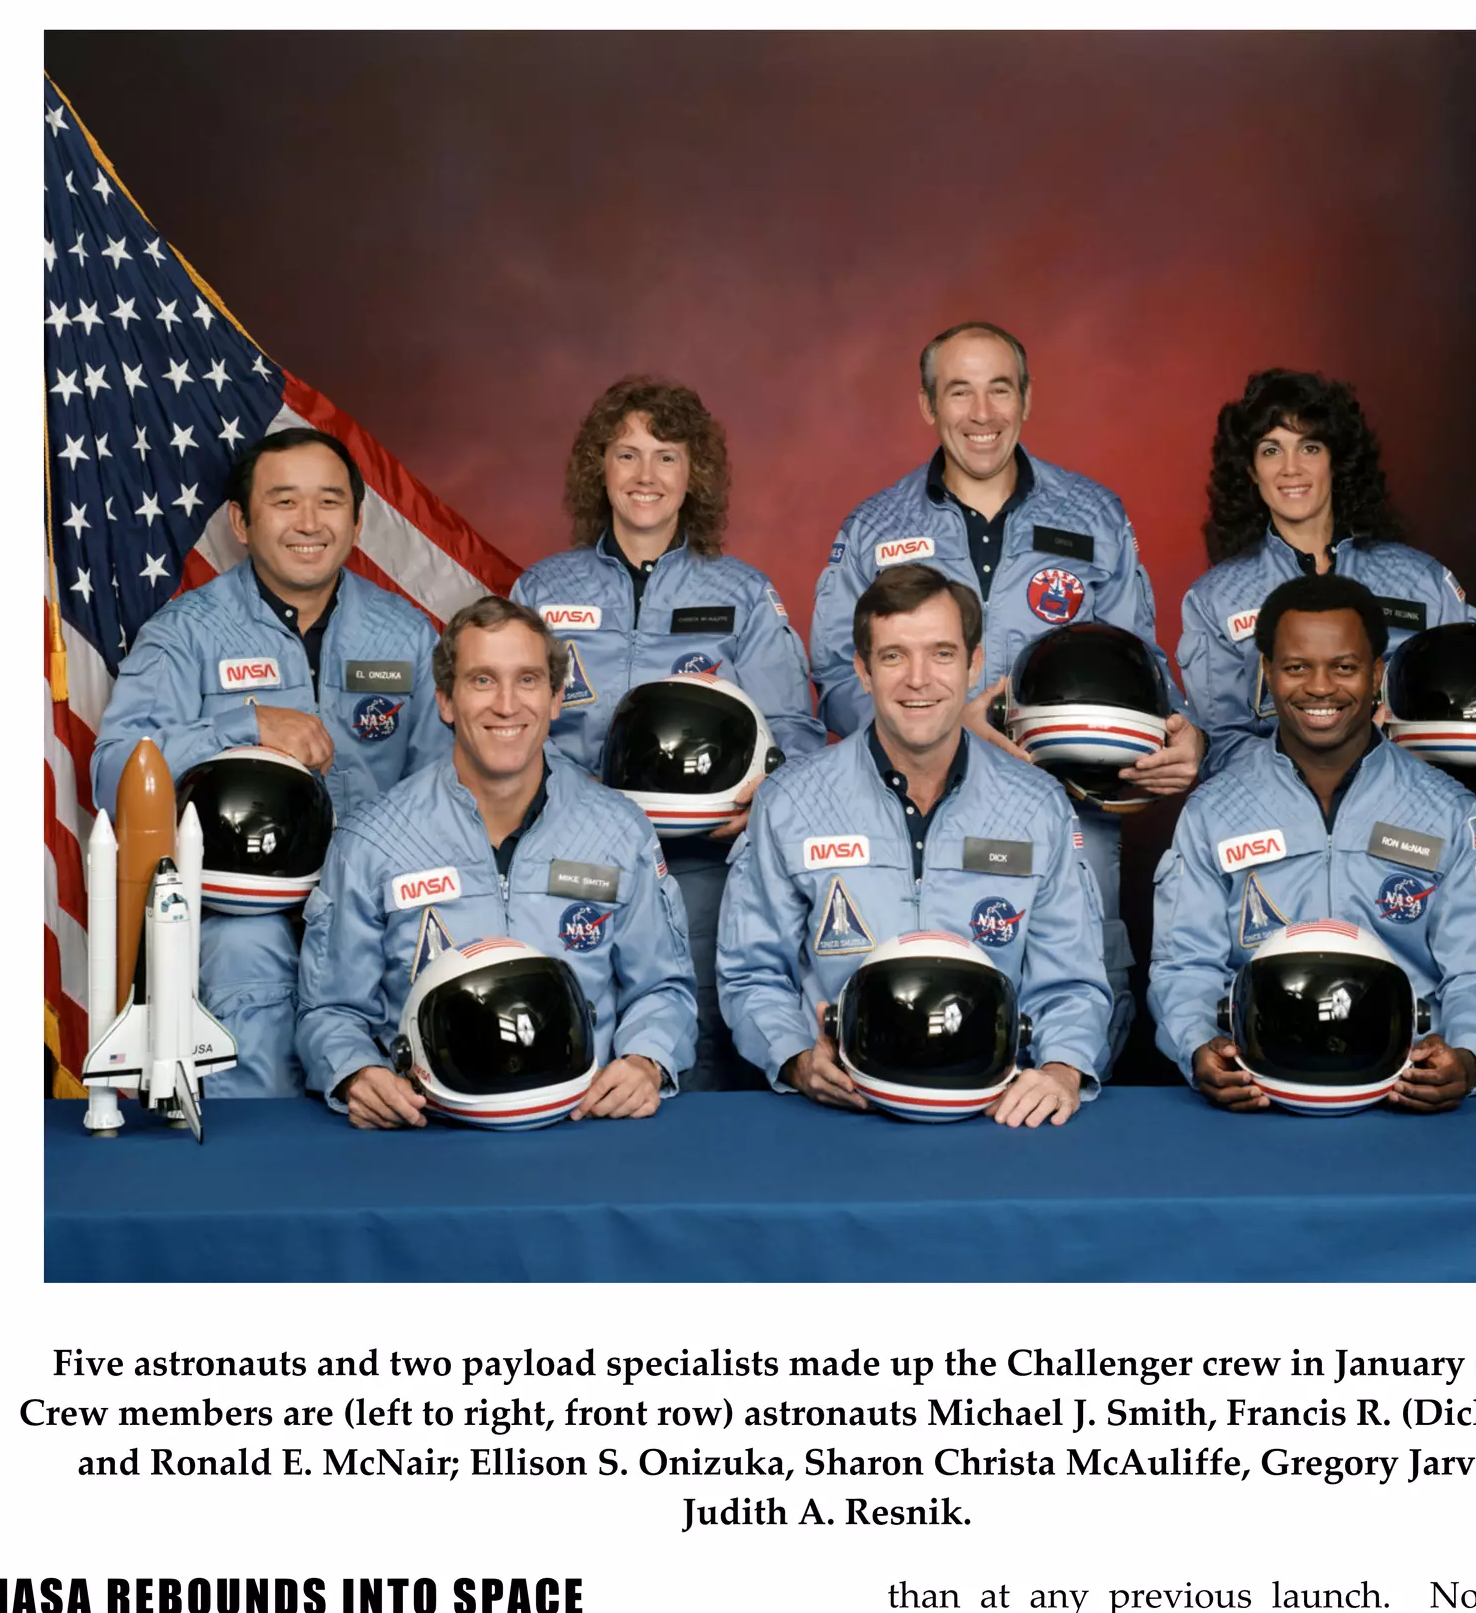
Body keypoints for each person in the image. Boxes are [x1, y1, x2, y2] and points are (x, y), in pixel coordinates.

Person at [808, 322, 1204, 1045]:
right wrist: (949, 721)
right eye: (960, 390)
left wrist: (1180, 734)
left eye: (1000, 388)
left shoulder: (1095, 515)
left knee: (1077, 1014)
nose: (982, 413)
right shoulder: (873, 526)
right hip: (914, 810)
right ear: (929, 405)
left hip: (1070, 809)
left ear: (1027, 398)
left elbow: (1143, 663)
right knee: (933, 1015)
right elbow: (837, 673)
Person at [89, 426, 446, 1095]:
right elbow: (115, 771)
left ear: (358, 520)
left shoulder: (404, 634)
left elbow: (446, 787)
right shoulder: (186, 633)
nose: (308, 523)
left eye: (329, 502)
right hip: (240, 913)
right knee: (247, 984)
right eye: (284, 501)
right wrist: (245, 723)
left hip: (372, 908)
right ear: (241, 523)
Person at [510, 377, 828, 1089]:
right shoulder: (542, 591)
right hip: (570, 860)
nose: (645, 476)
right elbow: (501, 724)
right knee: (570, 1038)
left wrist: (761, 802)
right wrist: (572, 796)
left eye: (666, 456)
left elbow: (795, 735)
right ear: (599, 467)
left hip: (701, 867)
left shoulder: (742, 593)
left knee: (704, 1042)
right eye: (626, 455)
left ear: (696, 474)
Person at [721, 565, 1111, 1126]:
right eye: (894, 656)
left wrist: (1061, 1070)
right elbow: (750, 971)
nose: (918, 680)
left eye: (942, 654)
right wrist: (796, 1057)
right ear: (862, 669)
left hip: (996, 1113)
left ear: (975, 665)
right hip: (840, 1114)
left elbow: (1072, 981)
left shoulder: (1037, 806)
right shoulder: (792, 802)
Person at [296, 596, 697, 1128]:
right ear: (444, 700)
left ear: (556, 698)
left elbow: (664, 989)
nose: (507, 705)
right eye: (482, 680)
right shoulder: (373, 840)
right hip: (430, 1134)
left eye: (527, 680)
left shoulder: (619, 831)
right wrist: (354, 1071)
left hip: (584, 1126)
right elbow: (330, 1011)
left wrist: (648, 1060)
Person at [1150, 574, 1476, 1113]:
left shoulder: (1444, 808)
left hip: (1403, 1090)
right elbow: (1185, 965)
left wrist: (1467, 1053)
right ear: (1267, 673)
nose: (1320, 687)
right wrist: (1195, 1047)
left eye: (1344, 667)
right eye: (1296, 666)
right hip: (1260, 1092)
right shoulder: (1215, 810)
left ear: (1377, 674)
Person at [1178, 367, 1476, 778]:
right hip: (1279, 823)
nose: (1291, 468)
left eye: (1310, 448)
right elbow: (1219, 745)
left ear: (1336, 459)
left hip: (1406, 811)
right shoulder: (1216, 599)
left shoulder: (1416, 579)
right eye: (1270, 450)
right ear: (1250, 470)